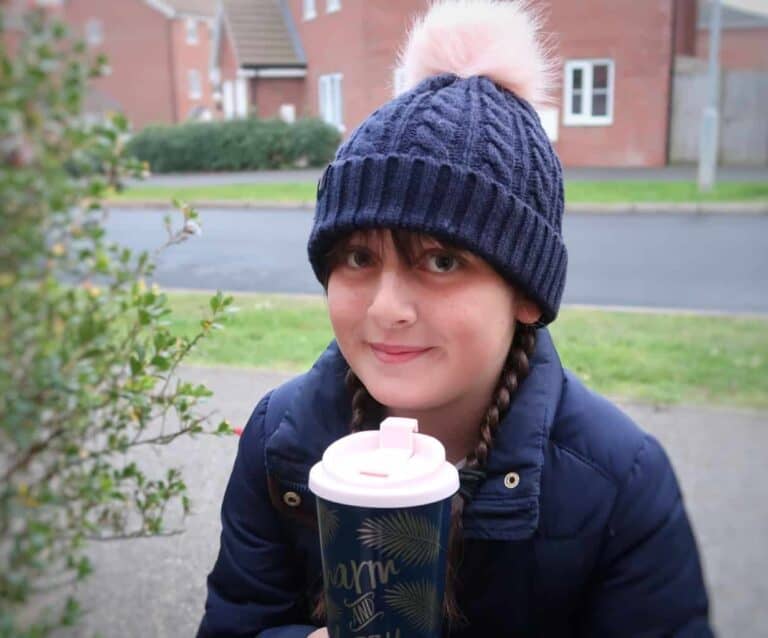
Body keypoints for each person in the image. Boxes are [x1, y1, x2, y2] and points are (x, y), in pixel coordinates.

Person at [196, 1, 713, 636]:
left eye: (441, 262)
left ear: (525, 292)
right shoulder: (283, 440)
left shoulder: (620, 482)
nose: (387, 308)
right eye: (358, 256)